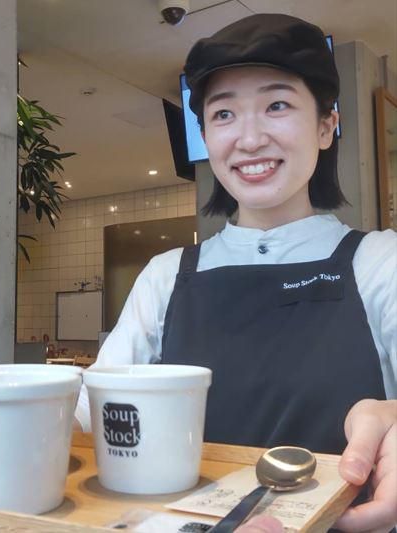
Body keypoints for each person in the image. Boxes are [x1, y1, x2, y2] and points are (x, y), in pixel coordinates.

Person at [74, 13, 397, 533]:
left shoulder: (381, 262)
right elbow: (93, 409)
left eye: (277, 105)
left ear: (325, 126)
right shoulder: (165, 276)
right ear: (206, 137)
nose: (249, 139)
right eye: (224, 114)